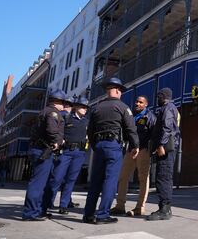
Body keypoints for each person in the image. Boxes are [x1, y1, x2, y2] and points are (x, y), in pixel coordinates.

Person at [83, 78, 139, 225]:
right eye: (120, 91)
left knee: (95, 181)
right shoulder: (123, 107)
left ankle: (88, 214)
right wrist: (135, 146)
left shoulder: (96, 108)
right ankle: (102, 215)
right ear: (117, 90)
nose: (120, 93)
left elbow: (90, 131)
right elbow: (131, 128)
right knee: (110, 181)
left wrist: (96, 145)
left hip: (99, 146)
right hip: (113, 146)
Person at [22, 89, 66, 221]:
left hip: (41, 149)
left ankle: (38, 210)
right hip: (43, 150)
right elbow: (51, 131)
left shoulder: (45, 111)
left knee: (41, 182)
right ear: (58, 102)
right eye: (63, 102)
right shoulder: (52, 113)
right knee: (37, 183)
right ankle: (30, 213)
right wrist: (59, 141)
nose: (64, 106)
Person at [42, 96, 90, 215]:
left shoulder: (86, 121)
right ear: (76, 106)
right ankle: (47, 203)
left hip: (79, 152)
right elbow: (57, 130)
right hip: (66, 152)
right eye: (83, 106)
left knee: (71, 180)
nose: (85, 109)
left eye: (86, 107)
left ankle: (63, 205)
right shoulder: (66, 117)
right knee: (56, 178)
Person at [111, 95, 155, 217]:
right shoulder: (131, 116)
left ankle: (140, 208)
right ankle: (120, 206)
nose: (137, 104)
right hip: (130, 150)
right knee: (123, 177)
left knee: (143, 179)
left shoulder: (150, 117)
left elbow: (154, 134)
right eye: (136, 101)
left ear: (146, 104)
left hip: (143, 150)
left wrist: (151, 151)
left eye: (141, 102)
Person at [146, 88, 180, 221]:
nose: (157, 99)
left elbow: (167, 127)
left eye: (158, 97)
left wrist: (161, 145)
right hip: (166, 147)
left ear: (163, 96)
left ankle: (165, 210)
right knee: (162, 176)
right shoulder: (169, 108)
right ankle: (163, 208)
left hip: (166, 148)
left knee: (164, 177)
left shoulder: (168, 108)